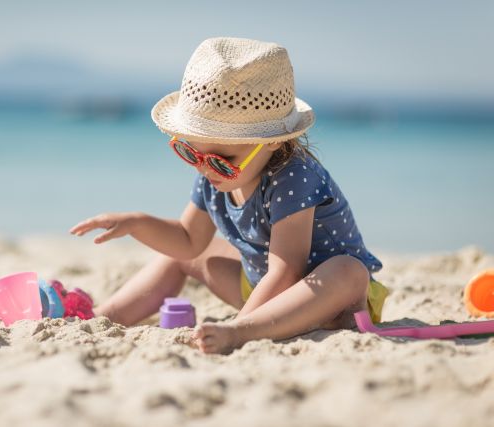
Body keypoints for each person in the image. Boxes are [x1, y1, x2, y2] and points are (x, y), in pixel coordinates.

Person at [70, 37, 389, 354]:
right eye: (191, 152)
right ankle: (102, 317)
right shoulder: (211, 174)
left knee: (348, 270)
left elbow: (287, 270)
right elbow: (186, 239)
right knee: (181, 256)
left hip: (326, 297)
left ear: (272, 141)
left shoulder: (294, 177)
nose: (206, 168)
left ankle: (244, 331)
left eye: (222, 159)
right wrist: (137, 223)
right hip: (260, 289)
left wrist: (239, 326)